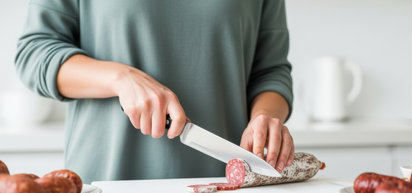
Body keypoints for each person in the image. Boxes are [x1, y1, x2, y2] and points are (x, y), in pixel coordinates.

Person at [15, 0, 294, 183]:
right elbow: (35, 52)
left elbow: (270, 71)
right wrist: (121, 78)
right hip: (106, 191)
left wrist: (266, 116)